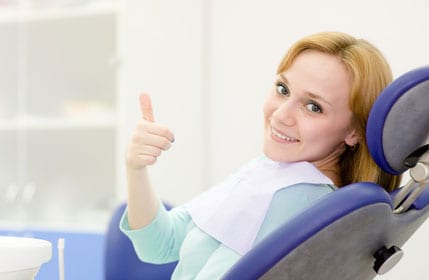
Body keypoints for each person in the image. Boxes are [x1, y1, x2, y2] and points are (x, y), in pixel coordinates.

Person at [120, 31, 402, 279]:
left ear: (354, 132)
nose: (280, 115)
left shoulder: (295, 199)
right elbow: (159, 244)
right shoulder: (274, 173)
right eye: (283, 89)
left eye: (313, 107)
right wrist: (136, 167)